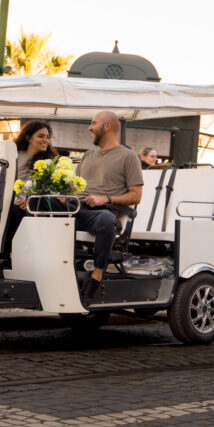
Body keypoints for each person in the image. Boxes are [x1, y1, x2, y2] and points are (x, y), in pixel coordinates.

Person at [74, 111, 144, 300]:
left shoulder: (128, 157)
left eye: (93, 123)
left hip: (99, 212)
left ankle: (97, 274)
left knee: (107, 219)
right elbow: (74, 187)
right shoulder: (88, 155)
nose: (89, 128)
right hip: (76, 207)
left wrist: (106, 198)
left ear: (107, 126)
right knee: (37, 204)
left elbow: (136, 196)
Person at [0, 121, 58, 256]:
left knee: (15, 211)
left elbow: (52, 191)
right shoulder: (13, 156)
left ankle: (6, 254)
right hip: (9, 202)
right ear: (28, 138)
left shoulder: (50, 162)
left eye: (47, 137)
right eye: (41, 136)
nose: (45, 140)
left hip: (36, 206)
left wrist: (29, 201)